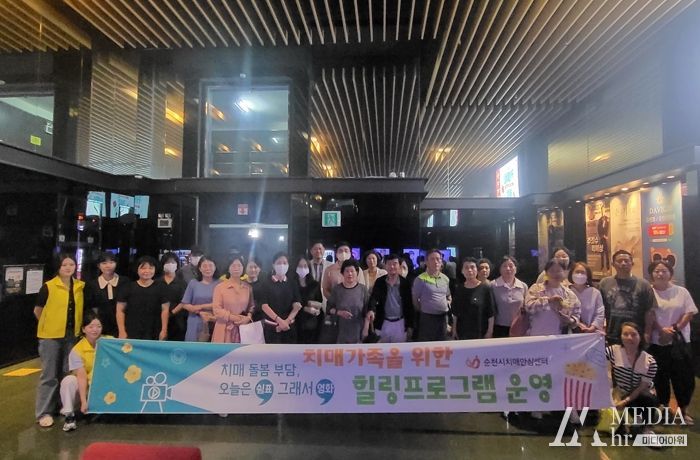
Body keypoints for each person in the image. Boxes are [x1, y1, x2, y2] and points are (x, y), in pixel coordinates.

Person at [34, 253, 85, 428]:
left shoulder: (80, 286)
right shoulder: (48, 286)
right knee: (49, 375)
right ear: (58, 267)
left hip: (72, 335)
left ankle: (63, 406)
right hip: (50, 336)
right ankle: (44, 412)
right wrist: (49, 324)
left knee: (66, 374)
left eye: (72, 264)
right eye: (64, 265)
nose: (69, 268)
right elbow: (38, 310)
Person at [648, 260, 697, 424]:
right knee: (660, 377)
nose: (660, 274)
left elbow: (689, 313)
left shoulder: (681, 292)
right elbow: (649, 314)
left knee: (683, 378)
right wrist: (661, 330)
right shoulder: (649, 292)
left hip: (679, 342)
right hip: (657, 342)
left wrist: (674, 329)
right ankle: (664, 409)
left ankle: (683, 411)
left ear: (670, 273)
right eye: (656, 271)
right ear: (651, 274)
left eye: (664, 271)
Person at [606, 322, 659, 435]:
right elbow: (594, 357)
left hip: (641, 396)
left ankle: (646, 427)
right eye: (625, 334)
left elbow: (641, 388)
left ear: (640, 336)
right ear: (620, 336)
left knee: (647, 400)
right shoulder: (613, 351)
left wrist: (624, 402)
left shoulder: (650, 362)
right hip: (622, 393)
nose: (629, 338)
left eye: (634, 334)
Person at [58, 312, 106, 432]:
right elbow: (81, 377)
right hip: (87, 386)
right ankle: (69, 416)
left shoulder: (109, 342)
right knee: (68, 381)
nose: (95, 330)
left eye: (98, 326)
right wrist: (84, 401)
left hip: (105, 384)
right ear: (84, 329)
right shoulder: (77, 350)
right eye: (91, 326)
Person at [599, 250, 657, 344]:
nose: (623, 263)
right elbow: (599, 310)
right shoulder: (604, 283)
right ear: (613, 264)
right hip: (611, 335)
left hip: (635, 335)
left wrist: (647, 333)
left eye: (626, 261)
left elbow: (649, 312)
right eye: (619, 261)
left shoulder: (644, 285)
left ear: (632, 263)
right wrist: (601, 329)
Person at [116, 256, 169, 340]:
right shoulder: (127, 287)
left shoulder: (161, 287)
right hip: (131, 331)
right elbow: (120, 310)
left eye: (150, 268)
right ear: (137, 269)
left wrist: (164, 330)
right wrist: (122, 331)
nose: (147, 271)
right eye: (143, 268)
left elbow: (165, 310)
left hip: (154, 331)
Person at [525, 259, 580, 336]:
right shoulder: (536, 288)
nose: (555, 274)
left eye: (559, 271)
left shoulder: (570, 294)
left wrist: (570, 320)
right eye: (552, 271)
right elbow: (528, 307)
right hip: (536, 335)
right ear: (546, 273)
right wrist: (549, 300)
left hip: (560, 337)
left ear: (564, 272)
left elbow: (577, 314)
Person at [369, 253, 414, 343]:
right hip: (383, 322)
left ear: (399, 266)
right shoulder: (380, 282)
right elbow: (373, 298)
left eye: (395, 264)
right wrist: (371, 310)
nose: (392, 266)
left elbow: (409, 305)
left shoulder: (405, 283)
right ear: (385, 266)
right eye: (389, 264)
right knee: (382, 350)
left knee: (399, 350)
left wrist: (410, 325)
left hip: (400, 323)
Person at [259, 252, 303, 344]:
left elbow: (297, 305)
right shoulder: (266, 283)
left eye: (284, 263)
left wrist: (286, 322)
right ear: (273, 265)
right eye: (279, 263)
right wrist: (280, 321)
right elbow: (264, 306)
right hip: (272, 327)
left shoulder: (292, 283)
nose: (282, 265)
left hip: (289, 327)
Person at [211, 255, 254, 343]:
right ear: (228, 268)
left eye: (239, 265)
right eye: (233, 265)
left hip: (242, 329)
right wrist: (235, 318)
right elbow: (216, 310)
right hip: (224, 329)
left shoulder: (248, 287)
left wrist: (248, 317)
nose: (236, 268)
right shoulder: (220, 287)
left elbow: (251, 306)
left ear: (243, 268)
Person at [84, 251, 127, 337]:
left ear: (116, 264)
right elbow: (90, 307)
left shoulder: (125, 282)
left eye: (111, 262)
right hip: (100, 326)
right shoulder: (92, 284)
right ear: (98, 265)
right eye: (104, 263)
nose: (108, 266)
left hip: (122, 326)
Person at [412, 249, 452, 341]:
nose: (436, 262)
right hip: (427, 319)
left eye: (438, 259)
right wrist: (425, 309)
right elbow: (415, 301)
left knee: (441, 344)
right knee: (427, 345)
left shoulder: (445, 278)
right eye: (432, 259)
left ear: (441, 261)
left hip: (443, 318)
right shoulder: (420, 279)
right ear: (426, 262)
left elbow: (448, 295)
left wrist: (448, 303)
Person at [327, 259, 370, 344]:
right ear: (342, 273)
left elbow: (367, 310)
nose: (350, 274)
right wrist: (339, 312)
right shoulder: (337, 289)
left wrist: (366, 328)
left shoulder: (363, 289)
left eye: (352, 271)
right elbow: (328, 309)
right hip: (340, 332)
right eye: (347, 271)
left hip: (358, 331)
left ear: (357, 273)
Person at [451, 257, 495, 340]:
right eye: (466, 268)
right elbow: (455, 313)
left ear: (477, 270)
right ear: (462, 271)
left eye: (472, 267)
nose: (469, 270)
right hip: (462, 332)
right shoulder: (459, 289)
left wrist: (489, 332)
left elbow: (491, 313)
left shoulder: (485, 288)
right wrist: (454, 330)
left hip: (480, 332)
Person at [181, 256, 221, 342]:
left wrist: (200, 307)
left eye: (210, 265)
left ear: (215, 267)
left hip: (215, 320)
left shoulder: (220, 284)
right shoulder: (193, 283)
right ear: (199, 268)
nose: (208, 268)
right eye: (204, 266)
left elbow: (221, 304)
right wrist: (198, 311)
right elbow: (184, 304)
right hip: (195, 321)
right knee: (193, 347)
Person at [491, 256, 528, 338]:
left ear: (516, 269)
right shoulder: (493, 285)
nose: (508, 269)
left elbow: (526, 308)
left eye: (511, 266)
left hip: (518, 327)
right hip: (499, 328)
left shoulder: (523, 286)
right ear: (500, 269)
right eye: (504, 266)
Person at [293, 255, 324, 344]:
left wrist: (316, 308)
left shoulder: (314, 284)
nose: (303, 268)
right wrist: (305, 308)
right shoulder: (291, 283)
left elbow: (320, 301)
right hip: (295, 323)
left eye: (305, 266)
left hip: (312, 323)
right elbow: (290, 302)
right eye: (300, 266)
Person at [568, 262, 605, 333]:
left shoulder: (595, 293)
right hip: (568, 332)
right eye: (577, 272)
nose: (579, 274)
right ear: (571, 274)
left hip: (589, 332)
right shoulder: (566, 291)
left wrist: (593, 327)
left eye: (582, 272)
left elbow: (599, 313)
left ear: (588, 275)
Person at [159, 252, 187, 341]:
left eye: (173, 262)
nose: (170, 264)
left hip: (177, 321)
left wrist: (171, 313)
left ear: (177, 264)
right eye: (167, 262)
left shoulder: (182, 283)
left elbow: (184, 301)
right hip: (159, 320)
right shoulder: (157, 282)